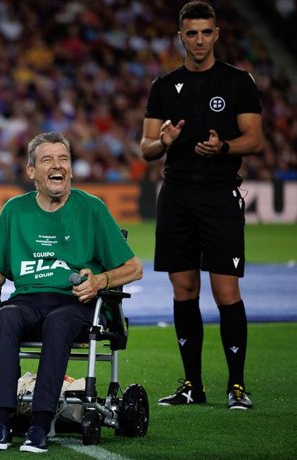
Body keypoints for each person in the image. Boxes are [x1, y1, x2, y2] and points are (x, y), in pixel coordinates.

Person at [0, 131, 143, 453]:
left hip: (76, 303)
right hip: (28, 300)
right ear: (31, 171)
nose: (58, 166)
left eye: (64, 159)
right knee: (6, 318)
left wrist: (100, 280)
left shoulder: (92, 208)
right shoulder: (14, 211)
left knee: (59, 322)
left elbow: (134, 268)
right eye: (48, 160)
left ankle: (39, 425)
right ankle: (0, 423)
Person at [140, 1, 263, 410]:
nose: (198, 40)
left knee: (226, 291)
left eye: (205, 32)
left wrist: (224, 146)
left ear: (216, 34)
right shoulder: (163, 86)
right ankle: (192, 384)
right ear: (180, 37)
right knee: (184, 288)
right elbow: (147, 148)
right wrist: (166, 143)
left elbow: (255, 139)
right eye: (191, 33)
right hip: (176, 197)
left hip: (219, 196)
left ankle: (238, 386)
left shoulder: (238, 82)